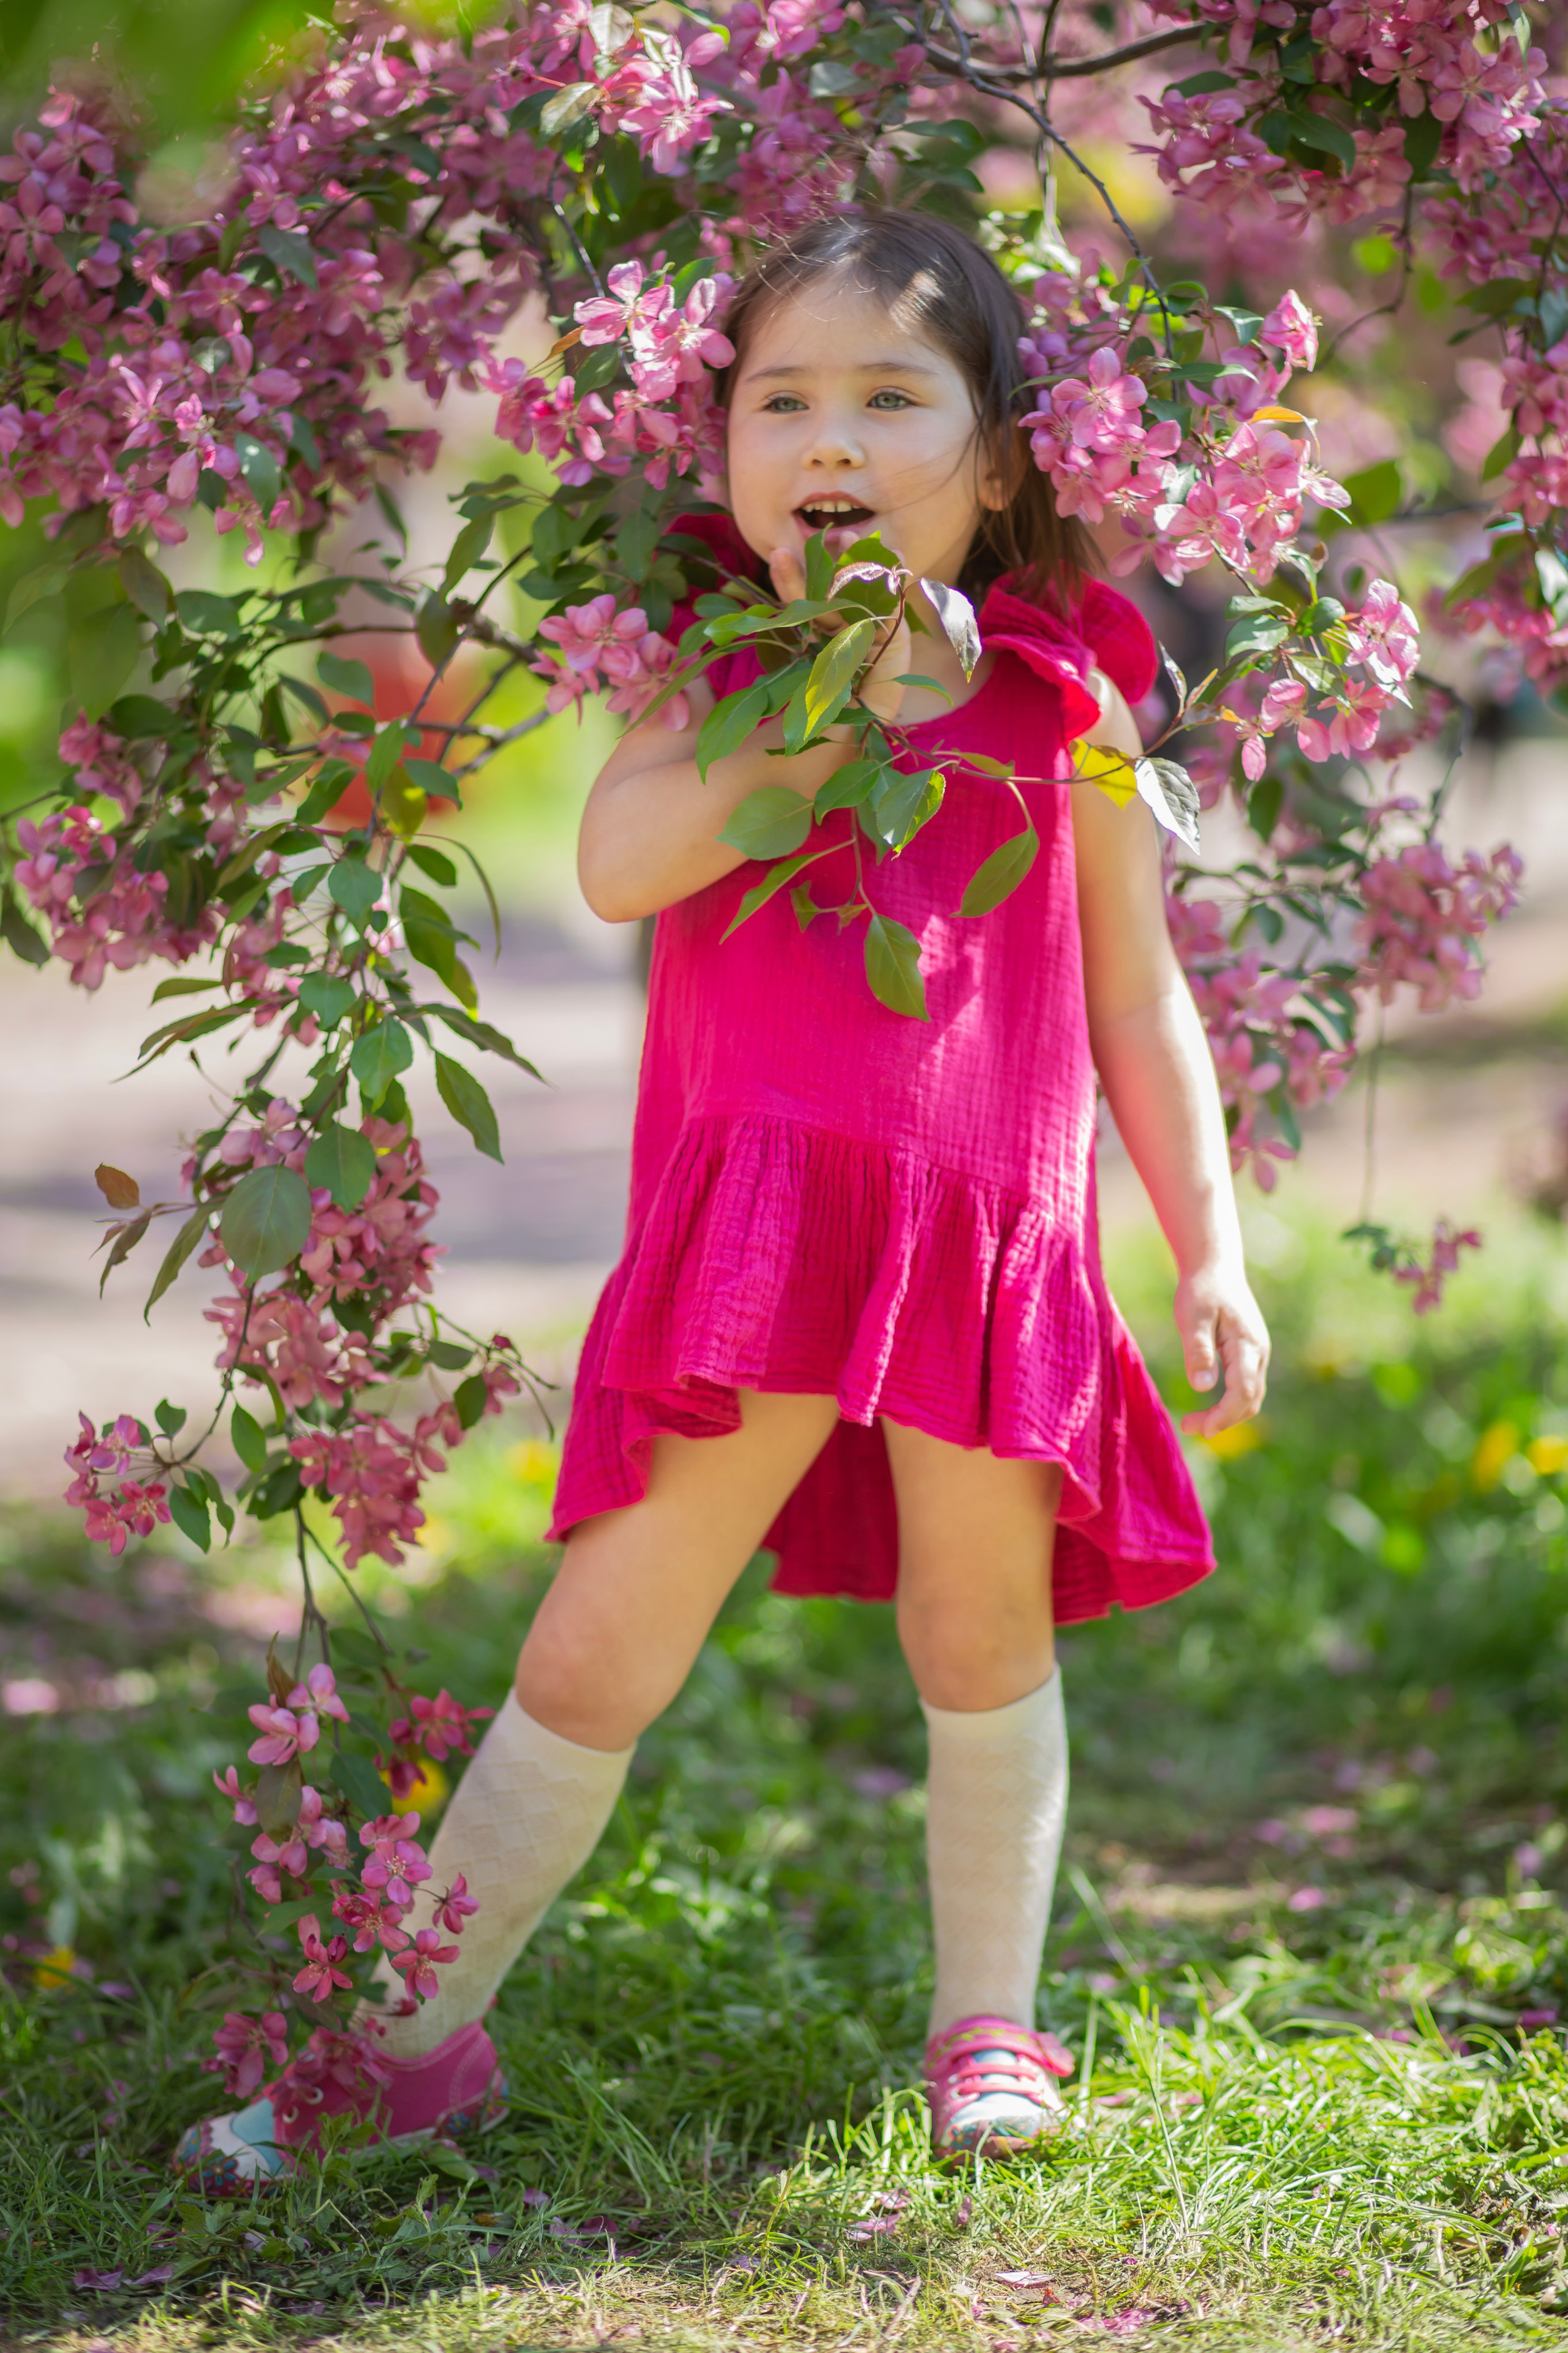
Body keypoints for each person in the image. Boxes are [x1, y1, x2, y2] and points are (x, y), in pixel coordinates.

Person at [176, 210, 1267, 2189]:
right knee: (601, 1641)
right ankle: (408, 2045)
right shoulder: (710, 659)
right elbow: (618, 859)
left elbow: (1136, 991)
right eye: (782, 399)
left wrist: (1213, 1244)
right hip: (760, 1232)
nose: (827, 436)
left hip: (983, 1236)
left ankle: (989, 2021)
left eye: (886, 395)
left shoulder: (1066, 705)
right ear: (727, 453)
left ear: (998, 454)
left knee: (978, 1626)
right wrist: (831, 702)